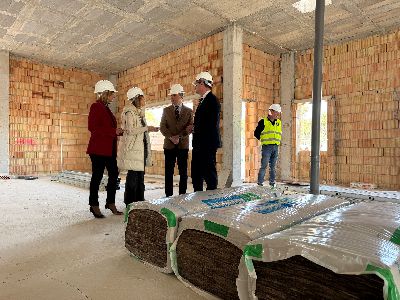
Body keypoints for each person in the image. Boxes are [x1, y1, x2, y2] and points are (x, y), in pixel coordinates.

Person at [87, 80, 123, 218]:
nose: (113, 97)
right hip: (98, 149)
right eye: (112, 94)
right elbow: (93, 128)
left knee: (114, 174)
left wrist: (117, 132)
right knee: (97, 177)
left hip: (109, 149)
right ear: (105, 93)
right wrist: (113, 131)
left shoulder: (106, 108)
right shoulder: (96, 106)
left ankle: (110, 202)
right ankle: (94, 205)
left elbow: (107, 128)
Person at [117, 87, 159, 207]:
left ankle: (139, 200)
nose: (143, 100)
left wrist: (150, 130)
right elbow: (130, 131)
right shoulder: (129, 112)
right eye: (141, 98)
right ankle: (130, 202)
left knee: (140, 177)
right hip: (134, 149)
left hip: (141, 148)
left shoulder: (140, 113)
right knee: (133, 177)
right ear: (137, 98)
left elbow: (140, 131)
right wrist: (147, 128)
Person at [187, 72, 221, 191]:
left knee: (209, 173)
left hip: (206, 144)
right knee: (197, 173)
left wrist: (195, 128)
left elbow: (210, 125)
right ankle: (198, 199)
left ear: (202, 83)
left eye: (196, 84)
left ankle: (210, 199)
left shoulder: (212, 100)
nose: (195, 86)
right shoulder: (203, 100)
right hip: (200, 144)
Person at [160, 84, 193, 197]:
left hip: (183, 146)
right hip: (169, 146)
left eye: (174, 95)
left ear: (181, 96)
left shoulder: (189, 111)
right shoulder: (166, 110)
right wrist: (171, 137)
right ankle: (168, 196)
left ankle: (182, 195)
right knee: (168, 172)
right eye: (171, 96)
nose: (172, 97)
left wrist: (179, 137)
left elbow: (190, 128)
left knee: (183, 172)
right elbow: (163, 127)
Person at [254, 103, 282, 188]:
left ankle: (272, 183)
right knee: (264, 166)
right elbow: (256, 133)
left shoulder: (279, 122)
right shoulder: (263, 122)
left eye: (278, 113)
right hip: (267, 147)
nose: (278, 114)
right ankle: (260, 183)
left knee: (273, 167)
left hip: (276, 147)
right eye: (276, 112)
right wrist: (263, 140)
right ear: (271, 112)